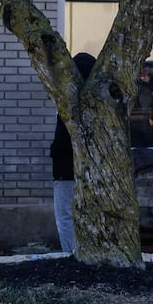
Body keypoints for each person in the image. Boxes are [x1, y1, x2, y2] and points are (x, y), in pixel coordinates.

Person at [50, 52, 98, 254]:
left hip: (66, 168)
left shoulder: (69, 100)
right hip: (92, 169)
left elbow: (63, 140)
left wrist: (54, 151)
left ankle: (71, 255)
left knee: (65, 216)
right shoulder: (97, 102)